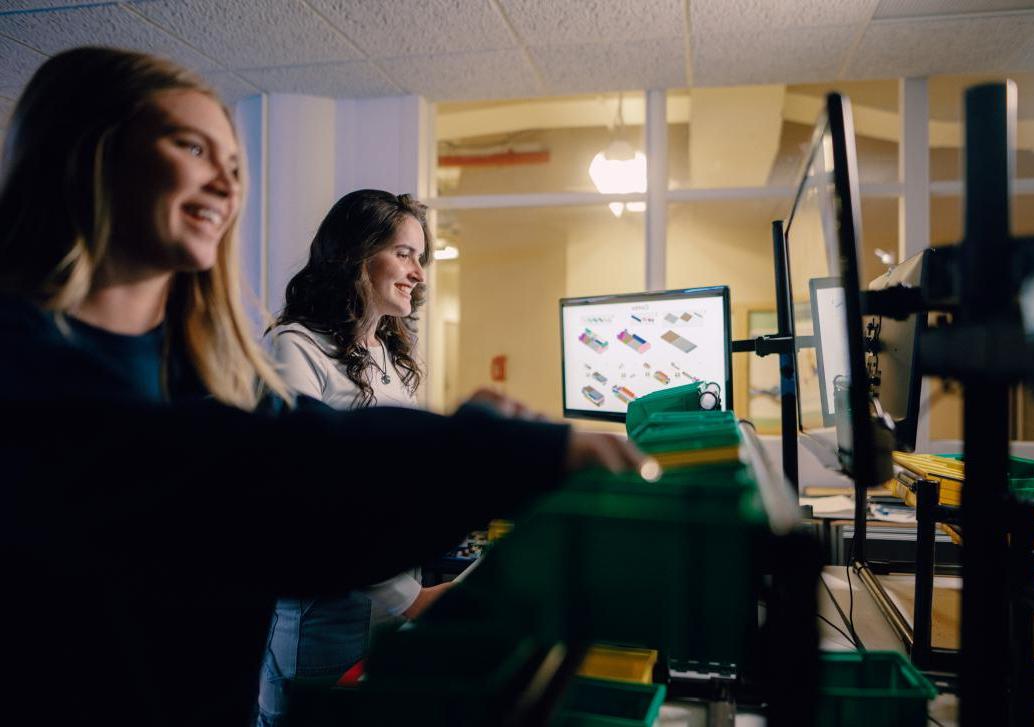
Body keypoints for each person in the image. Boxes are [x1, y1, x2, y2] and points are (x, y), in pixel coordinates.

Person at [0, 46, 644, 726]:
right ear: (88, 154)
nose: (226, 182)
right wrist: (496, 451)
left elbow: (290, 465)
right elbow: (267, 474)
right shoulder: (26, 362)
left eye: (236, 165)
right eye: (192, 147)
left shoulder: (200, 364)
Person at [257, 190, 449, 725]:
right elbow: (309, 500)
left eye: (421, 258)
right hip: (329, 616)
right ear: (355, 254)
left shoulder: (386, 355)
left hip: (389, 600)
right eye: (405, 253)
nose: (418, 273)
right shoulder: (294, 347)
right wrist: (409, 599)